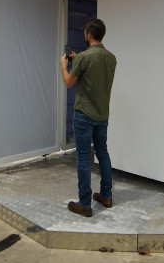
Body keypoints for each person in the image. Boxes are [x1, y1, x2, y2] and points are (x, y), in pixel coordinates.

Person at [60, 18, 117, 218]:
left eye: (85, 32)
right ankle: (107, 195)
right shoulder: (111, 58)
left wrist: (64, 66)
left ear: (89, 34)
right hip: (102, 115)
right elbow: (95, 74)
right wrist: (78, 60)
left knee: (84, 158)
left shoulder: (84, 58)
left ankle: (85, 204)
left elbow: (68, 82)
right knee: (103, 153)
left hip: (84, 114)